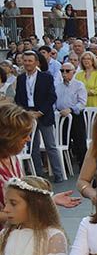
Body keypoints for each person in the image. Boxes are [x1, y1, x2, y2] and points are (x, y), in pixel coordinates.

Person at [15, 51, 66, 184]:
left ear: (36, 62)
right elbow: (18, 98)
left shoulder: (46, 77)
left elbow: (51, 97)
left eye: (30, 61)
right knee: (33, 147)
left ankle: (58, 174)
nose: (27, 63)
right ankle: (38, 175)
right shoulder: (20, 78)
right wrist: (26, 112)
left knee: (50, 145)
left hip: (43, 114)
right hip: (28, 115)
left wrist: (40, 112)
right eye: (25, 61)